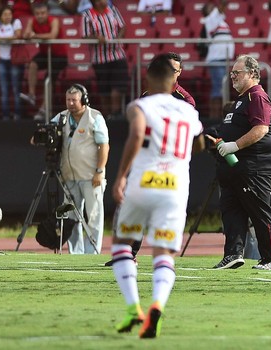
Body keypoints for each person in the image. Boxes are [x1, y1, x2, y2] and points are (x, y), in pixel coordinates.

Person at [110, 54, 203, 338]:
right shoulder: (188, 110)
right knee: (164, 253)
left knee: (122, 243)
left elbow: (137, 134)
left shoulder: (140, 105)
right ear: (173, 78)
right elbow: (198, 145)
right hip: (175, 188)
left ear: (149, 78)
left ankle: (132, 308)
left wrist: (121, 176)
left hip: (144, 182)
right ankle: (157, 305)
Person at [104, 52, 197, 268]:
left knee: (156, 216)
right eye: (169, 69)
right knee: (135, 210)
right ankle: (131, 253)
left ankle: (152, 257)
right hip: (148, 160)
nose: (171, 73)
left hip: (170, 163)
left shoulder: (186, 100)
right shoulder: (147, 95)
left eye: (175, 70)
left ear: (180, 72)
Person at [212, 54, 271, 271]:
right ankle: (233, 254)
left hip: (254, 165)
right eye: (232, 73)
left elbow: (260, 129)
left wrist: (235, 146)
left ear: (252, 73)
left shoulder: (256, 96)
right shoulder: (242, 99)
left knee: (258, 211)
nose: (232, 76)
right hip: (237, 166)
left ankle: (269, 259)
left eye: (237, 72)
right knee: (231, 209)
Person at [54, 84, 109, 254]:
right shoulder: (62, 117)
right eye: (68, 100)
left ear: (84, 100)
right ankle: (75, 253)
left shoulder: (95, 117)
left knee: (93, 216)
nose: (70, 104)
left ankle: (92, 253)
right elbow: (46, 131)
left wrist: (99, 171)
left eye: (74, 100)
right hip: (69, 176)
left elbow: (104, 146)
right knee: (71, 218)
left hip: (90, 176)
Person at [20, 2, 69, 120]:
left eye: (42, 13)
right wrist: (27, 34)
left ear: (47, 13)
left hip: (60, 56)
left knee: (49, 77)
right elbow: (26, 34)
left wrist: (34, 35)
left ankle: (44, 108)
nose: (40, 16)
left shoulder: (54, 20)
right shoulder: (32, 21)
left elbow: (52, 35)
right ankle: (31, 94)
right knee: (33, 64)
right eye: (37, 14)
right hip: (45, 53)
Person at [82, 0, 129, 119]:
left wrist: (118, 37)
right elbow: (85, 35)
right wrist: (96, 37)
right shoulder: (87, 15)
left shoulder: (113, 10)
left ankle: (116, 113)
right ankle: (106, 116)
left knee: (117, 86)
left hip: (117, 55)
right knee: (104, 89)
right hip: (100, 59)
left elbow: (122, 26)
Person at [0, 6, 24, 120]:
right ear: (1, 16)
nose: (7, 16)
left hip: (14, 60)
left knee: (16, 88)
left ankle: (17, 114)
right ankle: (5, 115)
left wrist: (0, 38)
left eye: (9, 14)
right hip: (3, 60)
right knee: (4, 89)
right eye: (5, 14)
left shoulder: (16, 22)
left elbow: (17, 35)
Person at [203, 0, 234, 119]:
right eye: (211, 8)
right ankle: (215, 117)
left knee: (222, 87)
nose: (214, 8)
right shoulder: (209, 20)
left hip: (224, 59)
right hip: (217, 59)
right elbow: (221, 7)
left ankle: (221, 115)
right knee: (219, 88)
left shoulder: (221, 22)